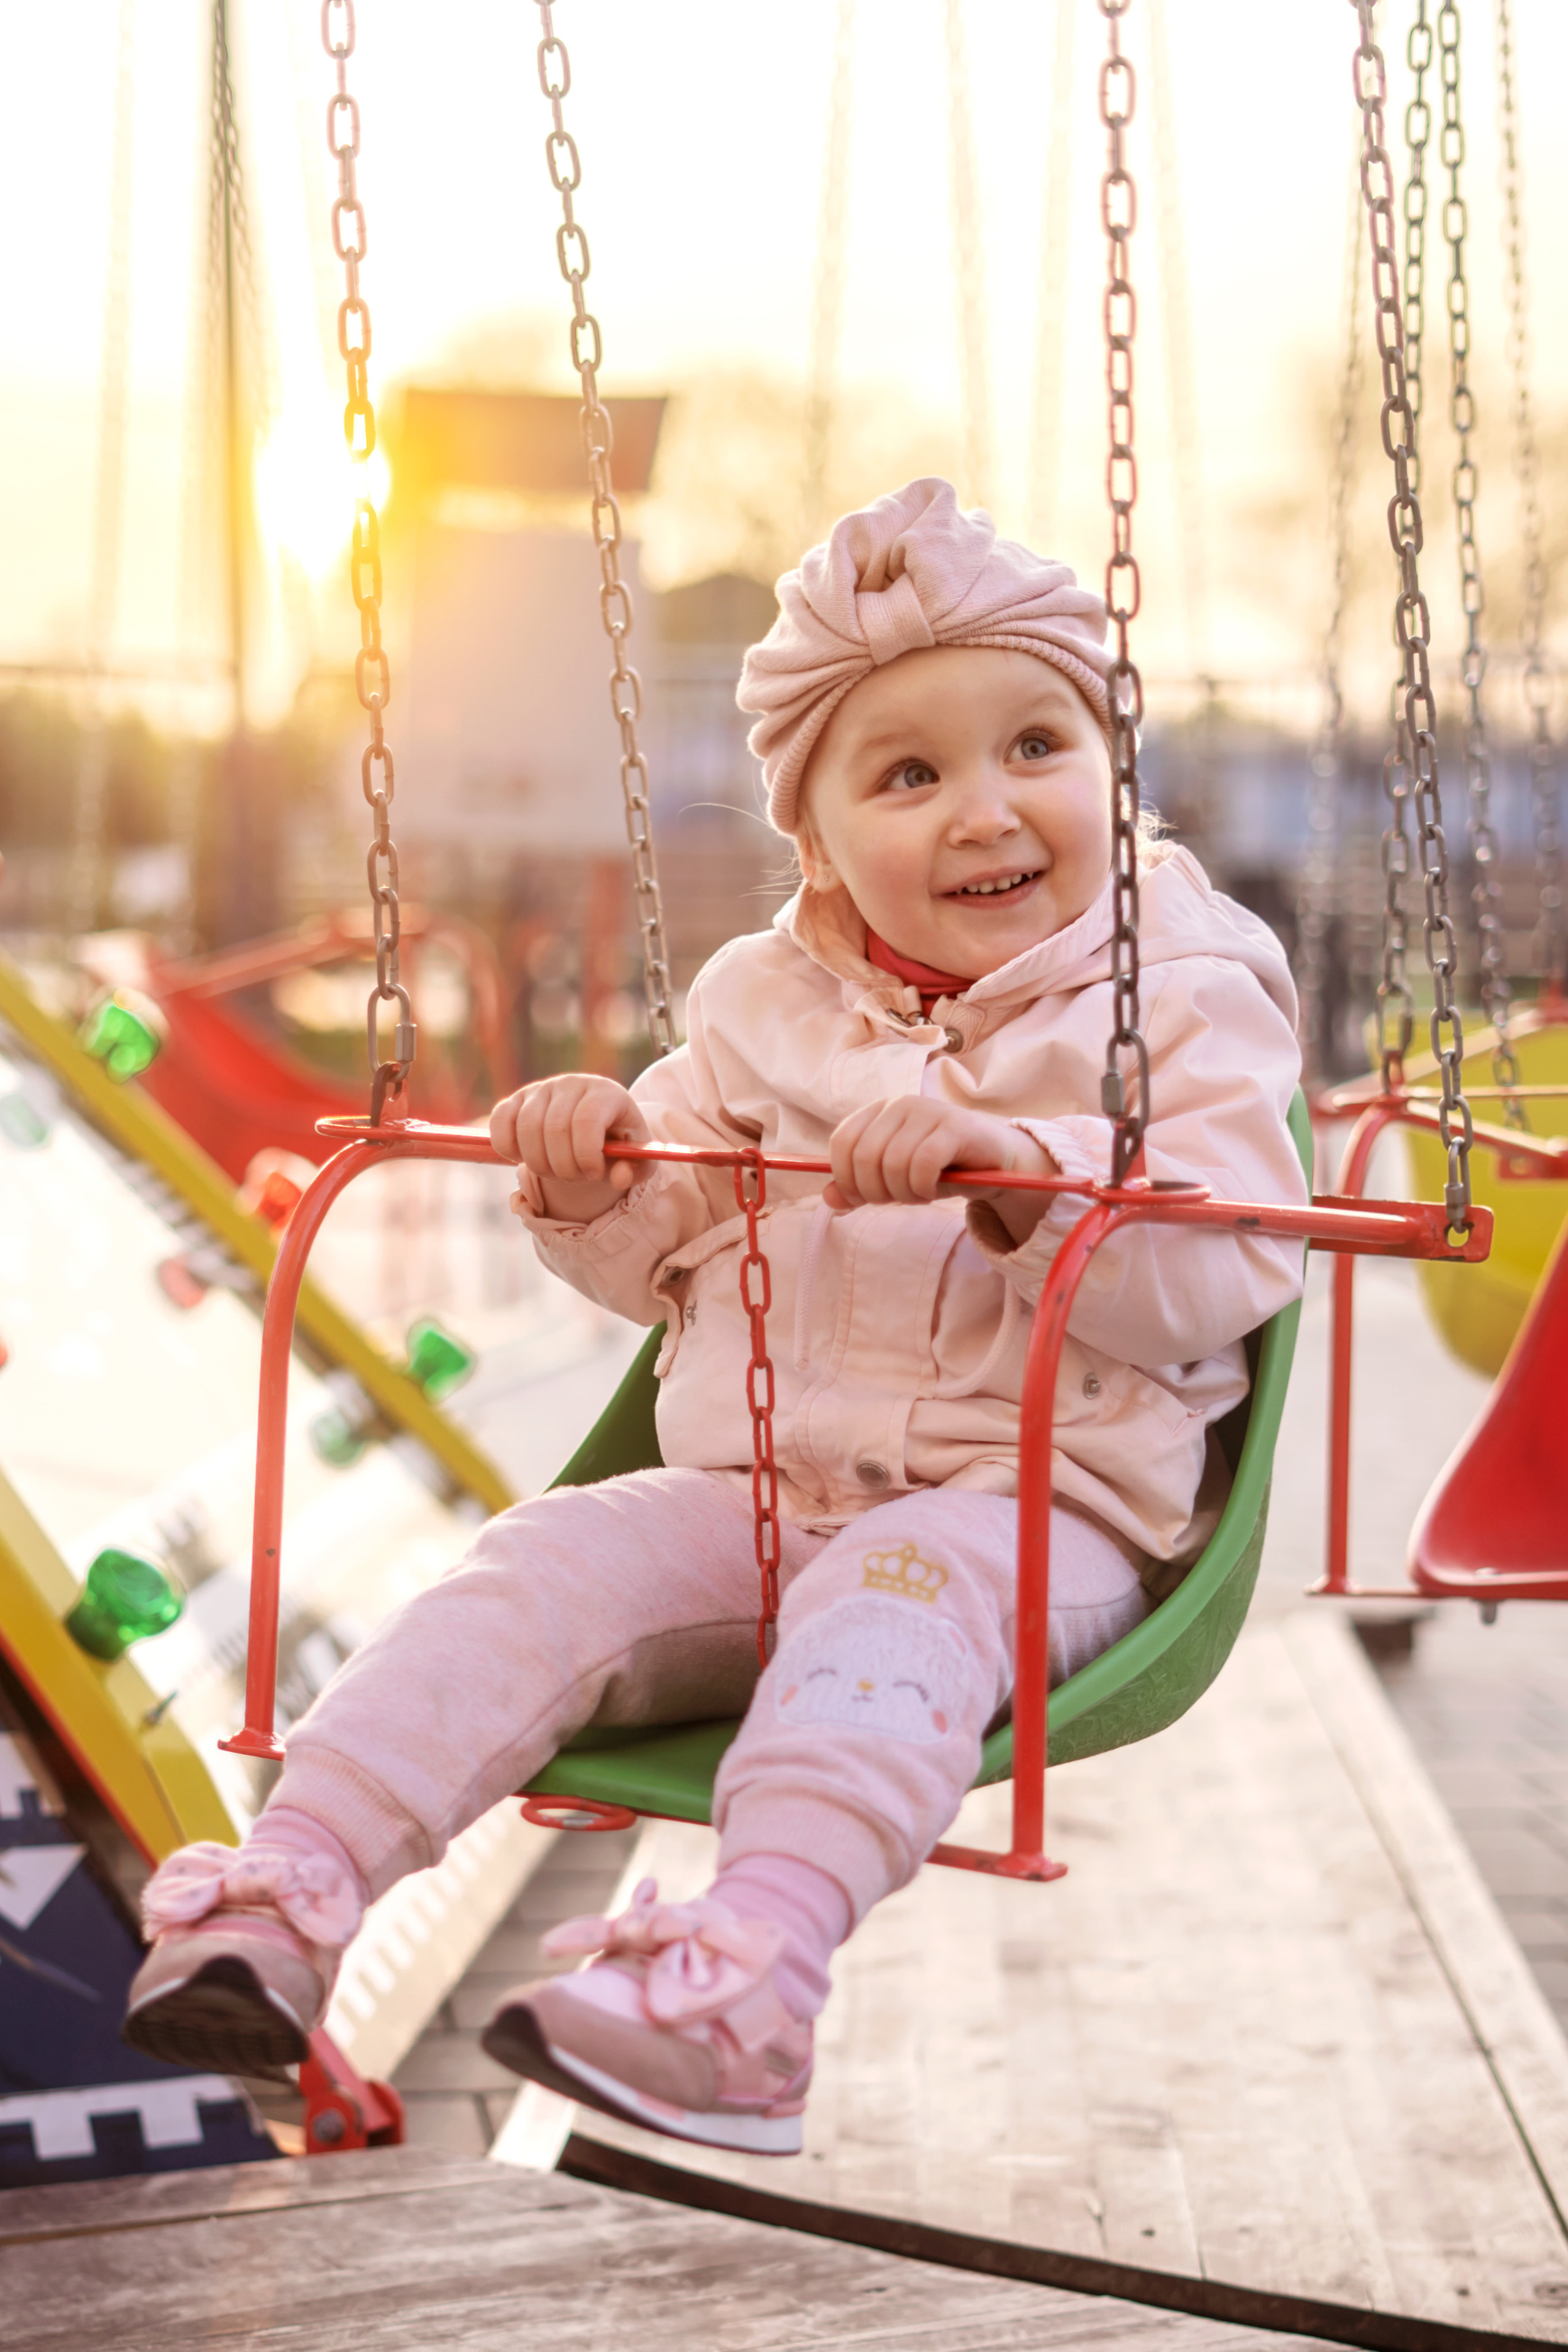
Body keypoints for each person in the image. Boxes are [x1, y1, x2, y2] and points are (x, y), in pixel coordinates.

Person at [121, 481, 1306, 2157]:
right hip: (757, 1495)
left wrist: (1030, 1181)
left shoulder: (1185, 1002)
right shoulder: (764, 1008)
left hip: (1032, 1518)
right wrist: (593, 1179)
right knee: (538, 1564)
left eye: (1038, 745)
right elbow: (661, 1259)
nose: (987, 810)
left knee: (889, 1612)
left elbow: (1228, 1272)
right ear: (815, 843)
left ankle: (750, 1985)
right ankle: (290, 1894)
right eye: (911, 774)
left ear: (1116, 769)